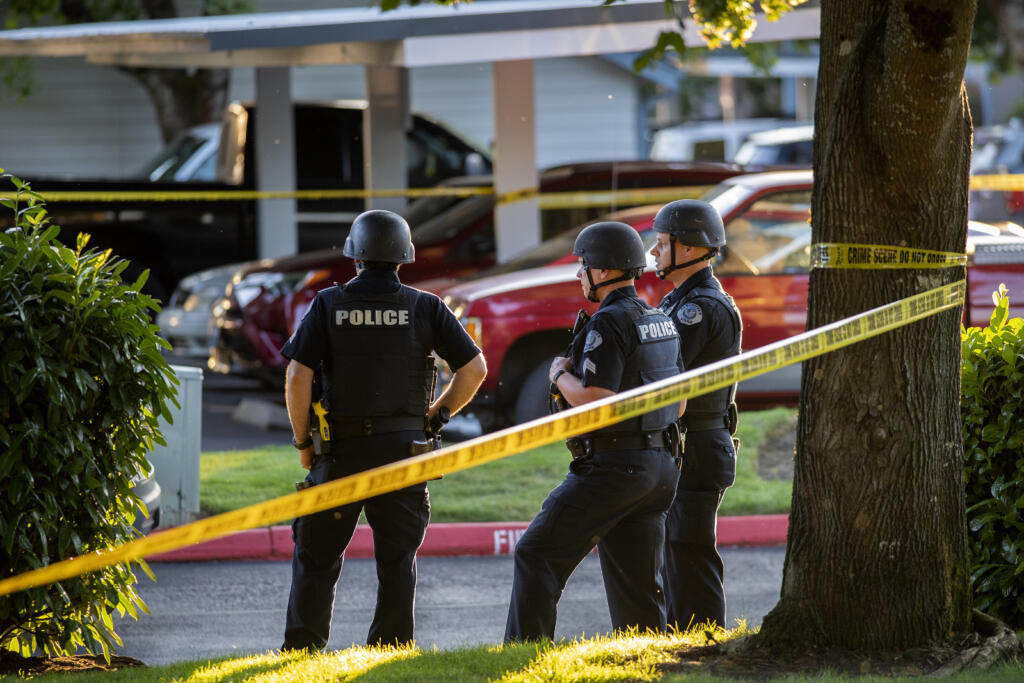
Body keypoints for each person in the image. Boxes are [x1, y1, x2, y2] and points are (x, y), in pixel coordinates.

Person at [279, 209, 486, 652]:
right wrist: (437, 414)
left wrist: (303, 441)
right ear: (404, 256)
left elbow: (298, 376)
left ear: (354, 255)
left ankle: (303, 651)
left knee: (316, 558)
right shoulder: (426, 306)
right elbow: (474, 368)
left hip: (340, 454)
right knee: (397, 561)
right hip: (405, 453)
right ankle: (389, 651)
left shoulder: (328, 304)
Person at [504, 221, 683, 642]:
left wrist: (560, 375)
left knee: (536, 553)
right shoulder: (659, 320)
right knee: (636, 582)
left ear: (602, 272)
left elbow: (598, 398)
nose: (577, 274)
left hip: (612, 468)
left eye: (582, 266)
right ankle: (646, 661)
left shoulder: (607, 322)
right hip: (659, 469)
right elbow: (680, 402)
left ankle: (521, 654)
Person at [649, 199, 742, 631]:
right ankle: (684, 644)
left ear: (688, 249)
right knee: (676, 552)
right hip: (687, 444)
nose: (652, 252)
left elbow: (661, 371)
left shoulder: (699, 307)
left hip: (698, 444)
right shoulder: (681, 301)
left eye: (661, 243)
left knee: (688, 552)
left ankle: (703, 648)